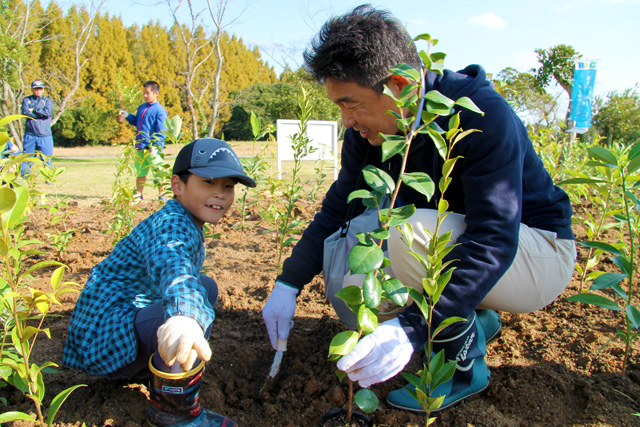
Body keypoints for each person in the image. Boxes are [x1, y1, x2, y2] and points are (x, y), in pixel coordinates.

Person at [262, 4, 576, 413]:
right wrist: (288, 284)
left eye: (351, 104)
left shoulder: (480, 116)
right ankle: (472, 321)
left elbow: (494, 238)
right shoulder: (369, 129)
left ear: (397, 84)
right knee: (353, 260)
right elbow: (339, 206)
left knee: (403, 234)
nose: (346, 120)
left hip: (535, 251)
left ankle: (459, 370)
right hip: (461, 244)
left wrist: (409, 329)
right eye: (339, 107)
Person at [63, 138, 255, 426]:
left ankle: (156, 371)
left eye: (228, 186)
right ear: (178, 185)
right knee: (190, 305)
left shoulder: (183, 218)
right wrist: (185, 317)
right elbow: (174, 266)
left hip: (115, 327)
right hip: (102, 338)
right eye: (208, 183)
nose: (220, 194)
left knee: (205, 287)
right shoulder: (172, 225)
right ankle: (174, 410)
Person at [119, 80, 169, 201]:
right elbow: (137, 122)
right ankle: (138, 194)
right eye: (144, 93)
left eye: (147, 93)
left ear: (156, 93)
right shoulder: (141, 107)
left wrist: (156, 146)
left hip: (152, 149)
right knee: (140, 172)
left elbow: (162, 130)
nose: (145, 95)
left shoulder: (160, 110)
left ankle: (162, 195)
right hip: (140, 147)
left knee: (158, 172)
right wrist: (127, 116)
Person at [21, 79, 54, 176]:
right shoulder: (26, 100)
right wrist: (40, 112)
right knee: (27, 159)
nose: (38, 91)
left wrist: (34, 110)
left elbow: (48, 113)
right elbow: (26, 113)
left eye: (40, 89)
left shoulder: (47, 101)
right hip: (30, 135)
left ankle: (49, 180)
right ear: (32, 89)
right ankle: (25, 178)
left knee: (47, 160)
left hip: (45, 136)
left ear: (43, 89)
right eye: (36, 89)